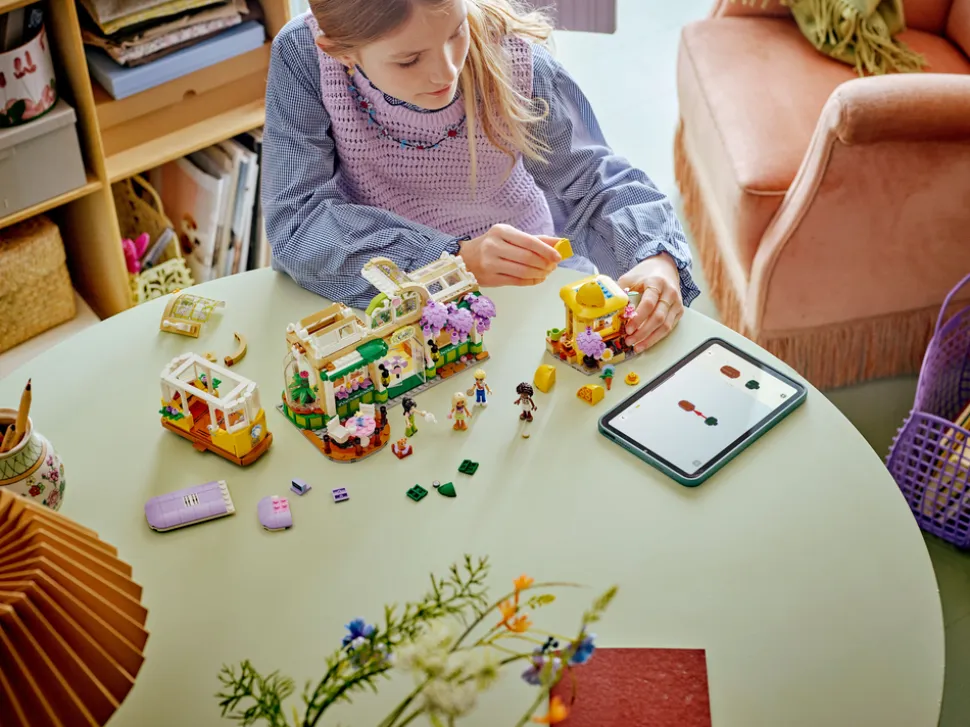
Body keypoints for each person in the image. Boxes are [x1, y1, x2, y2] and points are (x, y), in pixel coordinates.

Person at [264, 0, 700, 354]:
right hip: (386, 289)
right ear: (339, 52)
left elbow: (595, 179)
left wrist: (654, 257)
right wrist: (453, 261)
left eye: (456, 32)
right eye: (409, 60)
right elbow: (297, 225)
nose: (446, 71)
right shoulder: (304, 57)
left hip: (524, 280)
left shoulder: (515, 59)